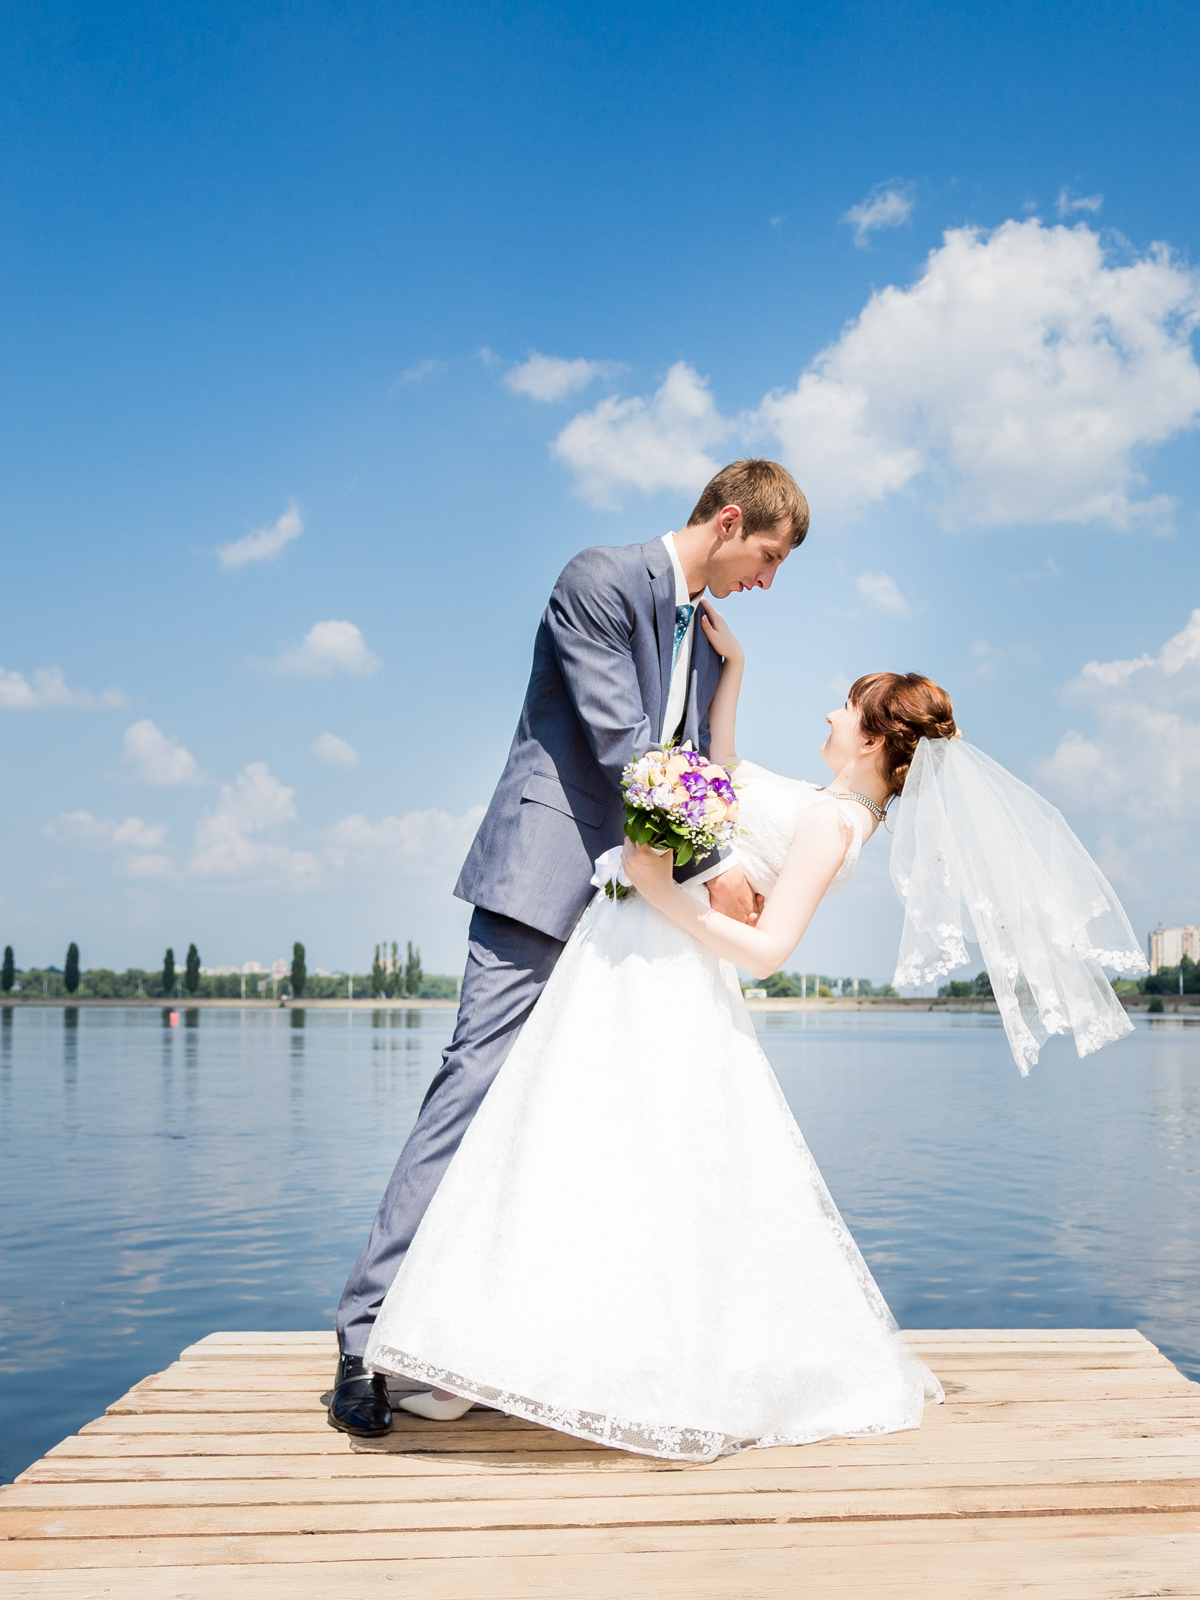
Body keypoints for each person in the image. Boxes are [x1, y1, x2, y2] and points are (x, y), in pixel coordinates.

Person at [364, 640, 1144, 1458]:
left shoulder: (836, 823)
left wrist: (663, 891)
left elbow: (768, 950)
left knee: (611, 1151)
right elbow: (724, 763)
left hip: (668, 972)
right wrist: (731, 669)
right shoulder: (823, 800)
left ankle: (564, 1361)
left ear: (875, 737)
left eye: (846, 706)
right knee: (562, 1142)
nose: (831, 714)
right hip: (626, 962)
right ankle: (478, 1358)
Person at [326, 459, 809, 1438]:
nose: (768, 580)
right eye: (768, 554)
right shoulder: (595, 579)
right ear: (727, 520)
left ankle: (502, 1340)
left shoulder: (714, 643)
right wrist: (717, 863)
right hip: (546, 879)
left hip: (639, 910)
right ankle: (364, 1343)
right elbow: (627, 746)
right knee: (472, 1092)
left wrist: (738, 681)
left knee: (594, 1119)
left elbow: (701, 766)